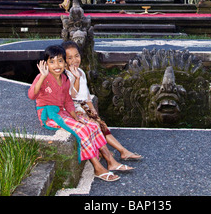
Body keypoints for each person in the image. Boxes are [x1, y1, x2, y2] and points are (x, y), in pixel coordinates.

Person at [28, 45, 133, 181]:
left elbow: (67, 101)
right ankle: (97, 168)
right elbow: (32, 95)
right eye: (52, 62)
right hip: (49, 115)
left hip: (62, 112)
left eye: (60, 61)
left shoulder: (64, 79)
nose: (56, 65)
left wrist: (76, 117)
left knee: (93, 126)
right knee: (82, 130)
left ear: (65, 62)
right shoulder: (43, 77)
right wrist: (42, 76)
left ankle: (110, 161)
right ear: (46, 64)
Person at [62, 40, 143, 162]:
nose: (74, 60)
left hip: (85, 107)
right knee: (97, 127)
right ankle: (115, 153)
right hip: (76, 109)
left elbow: (86, 94)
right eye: (70, 58)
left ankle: (122, 151)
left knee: (103, 126)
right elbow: (72, 95)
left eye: (77, 56)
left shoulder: (81, 72)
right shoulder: (66, 75)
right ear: (64, 60)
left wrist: (92, 109)